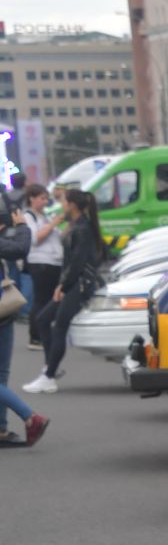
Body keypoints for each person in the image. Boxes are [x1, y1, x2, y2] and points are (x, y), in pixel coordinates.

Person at [22, 188, 102, 394]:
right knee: (42, 319)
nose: (61, 205)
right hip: (73, 282)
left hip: (79, 284)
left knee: (59, 326)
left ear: (73, 205)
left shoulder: (81, 228)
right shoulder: (77, 225)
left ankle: (49, 375)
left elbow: (77, 262)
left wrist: (64, 286)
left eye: (64, 201)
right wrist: (63, 284)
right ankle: (49, 368)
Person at [0, 202, 48, 446]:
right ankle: (1, 430)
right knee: (1, 374)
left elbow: (18, 248)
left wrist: (18, 227)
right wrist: (21, 226)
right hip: (5, 310)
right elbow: (20, 247)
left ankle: (30, 417)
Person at [21, 184, 63, 348]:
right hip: (40, 262)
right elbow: (36, 238)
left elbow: (55, 235)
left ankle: (44, 333)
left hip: (53, 261)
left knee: (49, 299)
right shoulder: (28, 216)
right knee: (41, 299)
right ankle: (36, 336)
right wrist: (52, 224)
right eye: (41, 198)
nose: (45, 202)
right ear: (32, 198)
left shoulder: (43, 216)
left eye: (46, 198)